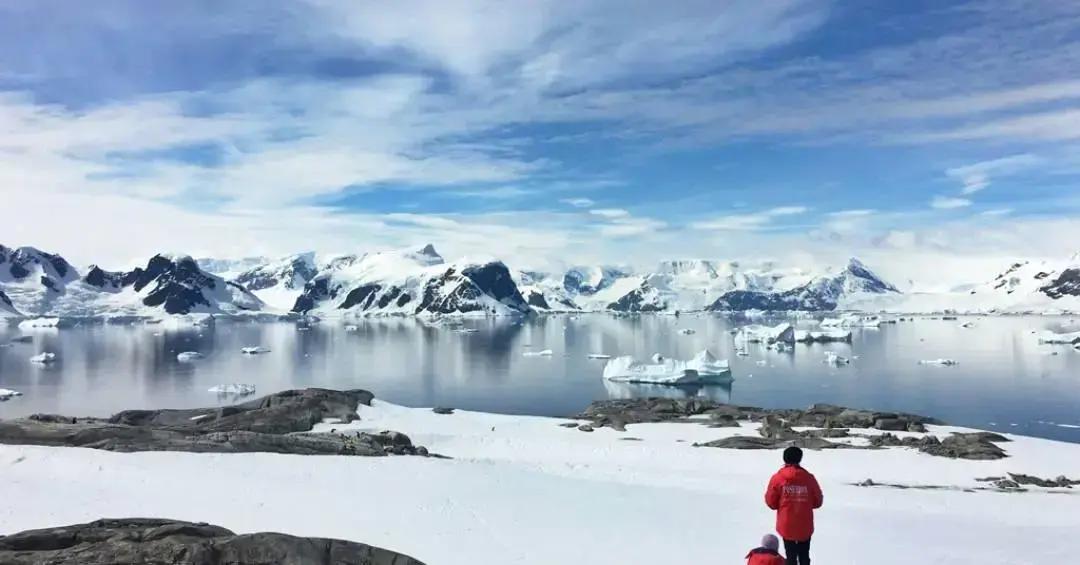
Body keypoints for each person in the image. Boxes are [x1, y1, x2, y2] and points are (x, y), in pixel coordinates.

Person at [764, 446, 823, 565]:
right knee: (804, 555)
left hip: (786, 524)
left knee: (790, 555)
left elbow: (771, 502)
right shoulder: (809, 478)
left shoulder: (778, 478)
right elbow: (818, 501)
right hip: (805, 524)